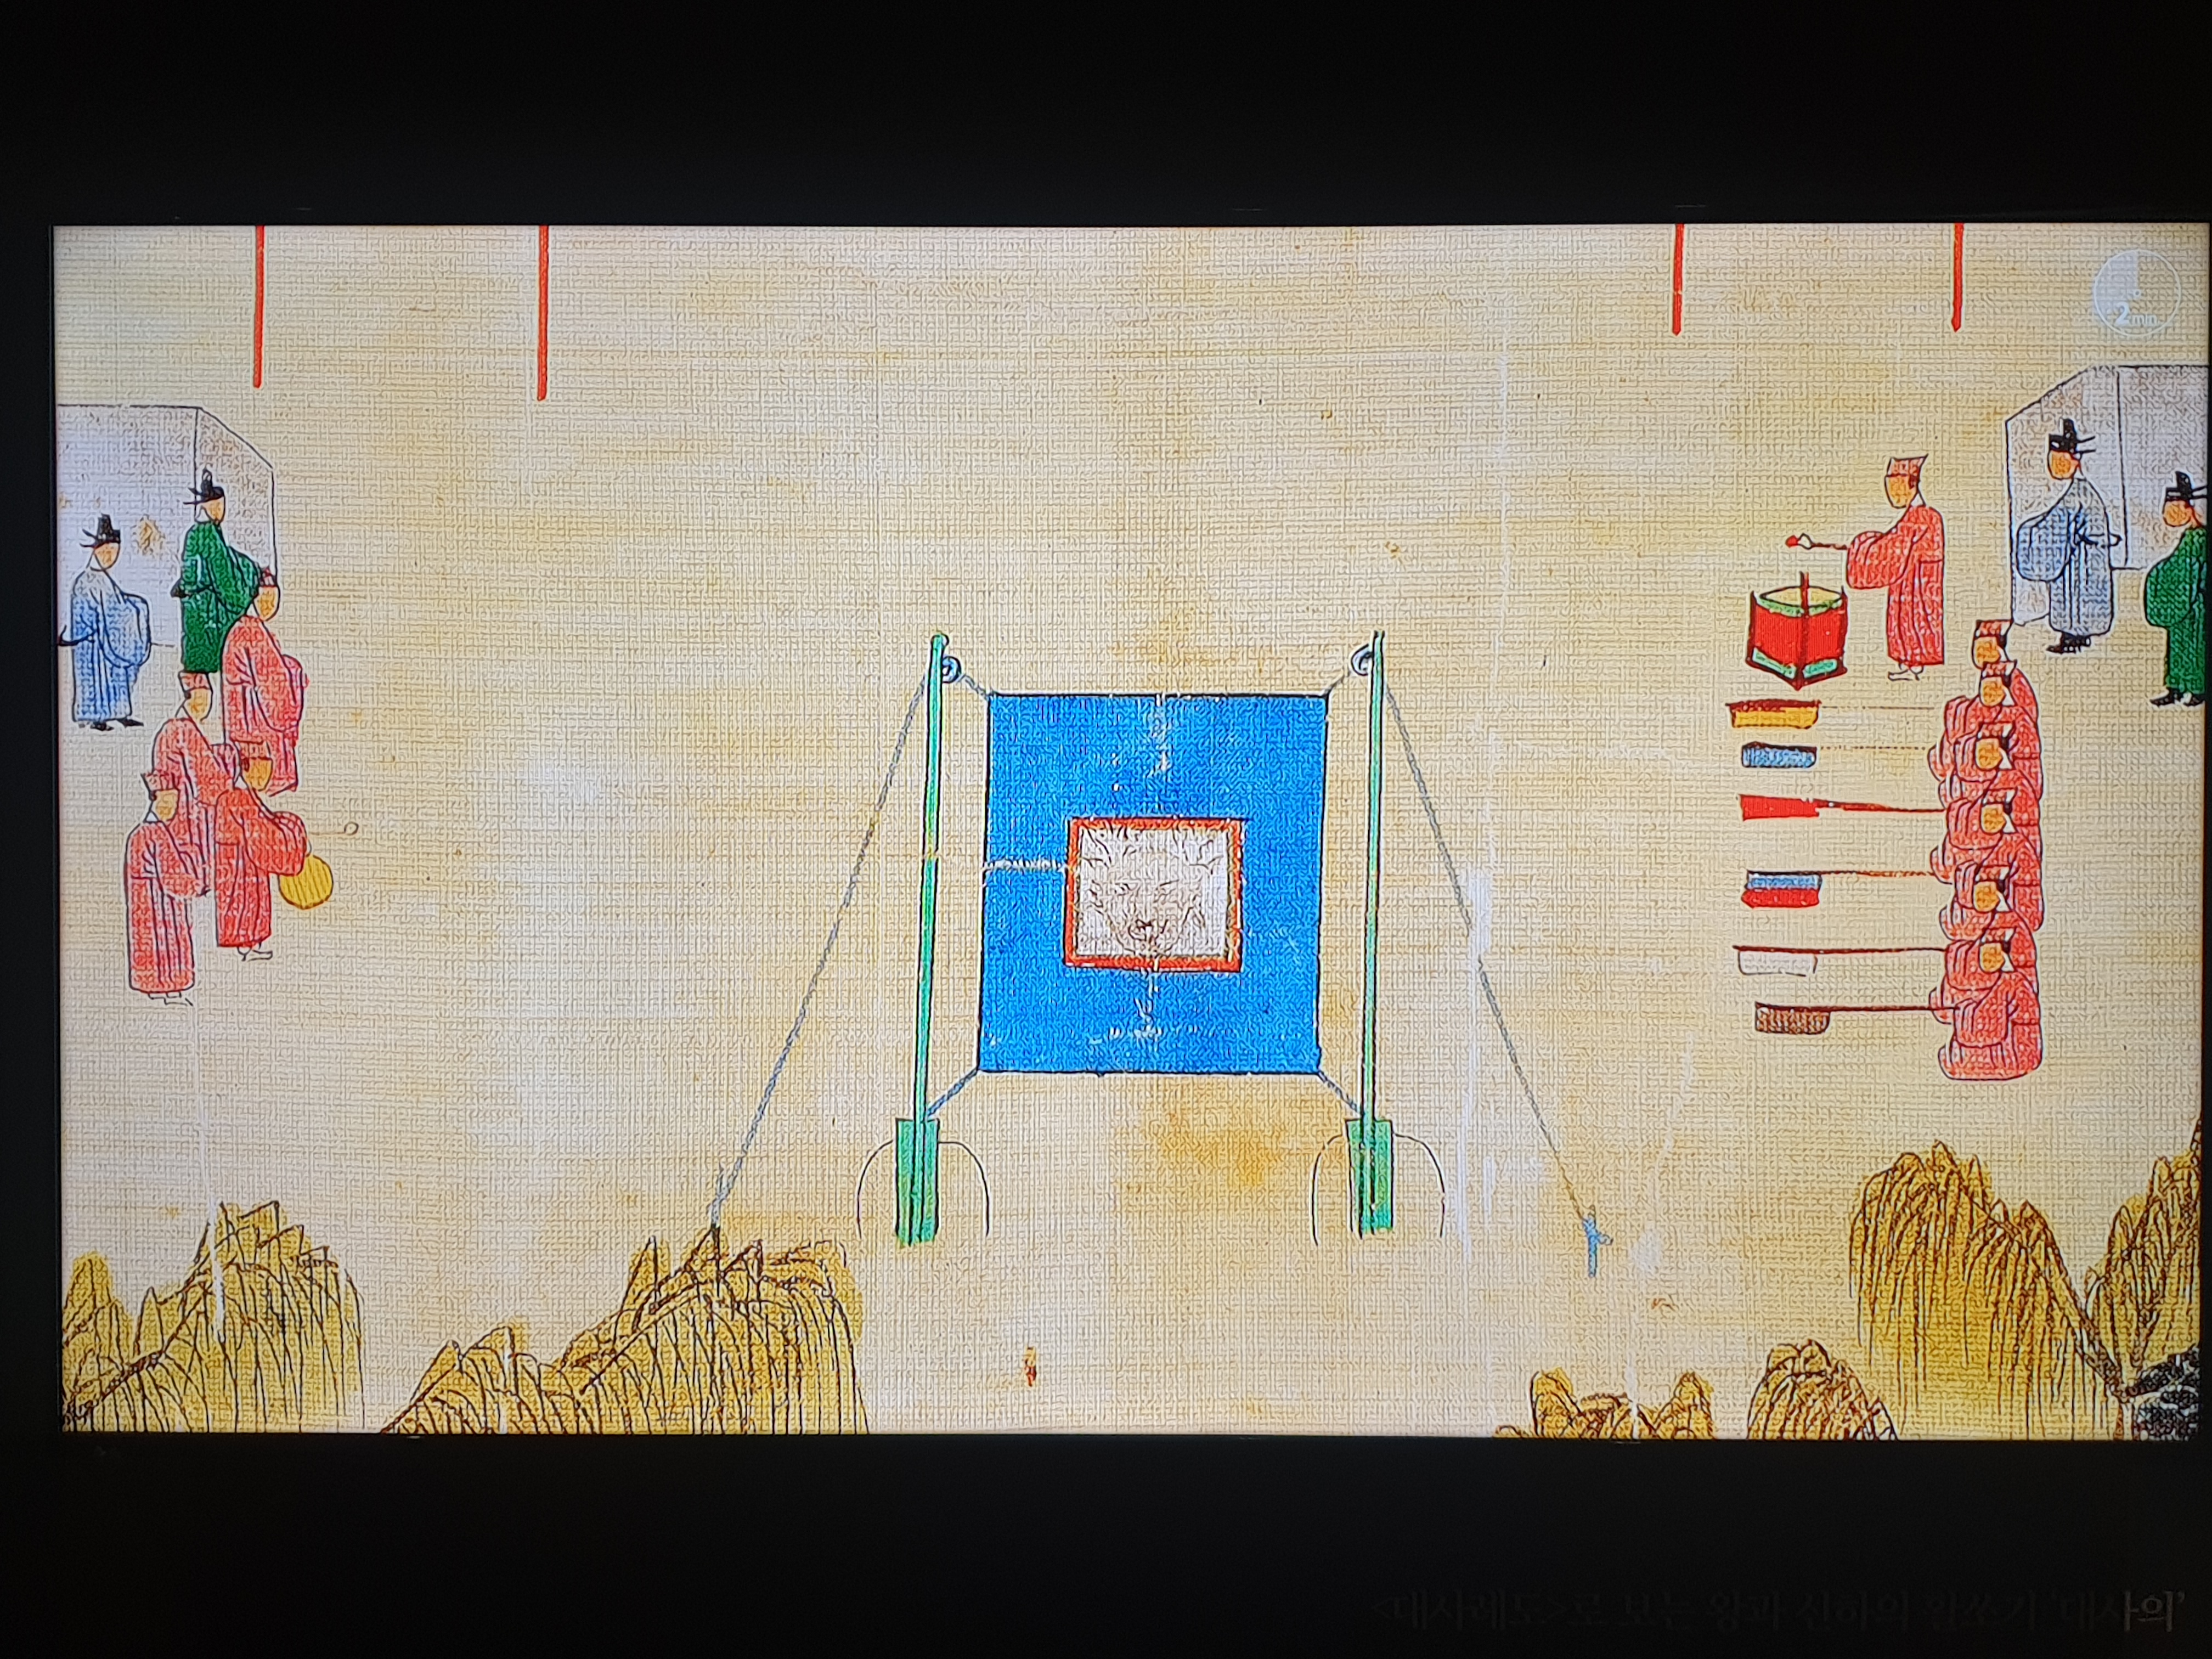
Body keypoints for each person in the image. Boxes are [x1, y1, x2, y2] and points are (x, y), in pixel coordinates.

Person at [2012, 419, 2120, 654]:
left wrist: (2029, 530)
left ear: (2074, 460)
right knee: (2075, 594)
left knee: (2078, 596)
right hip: (2081, 556)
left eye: (2059, 461)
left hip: (2083, 559)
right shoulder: (2077, 493)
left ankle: (2075, 638)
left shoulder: (2079, 495)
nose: (2054, 467)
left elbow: (2057, 523)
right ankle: (2075, 636)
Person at [1844, 456, 1945, 679]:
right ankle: (1909, 663)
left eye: (1897, 488)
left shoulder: (1923, 516)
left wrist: (1864, 547)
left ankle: (1915, 664)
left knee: (1915, 620)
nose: (1893, 495)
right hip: (1908, 577)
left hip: (1920, 583)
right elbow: (1893, 541)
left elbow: (1893, 545)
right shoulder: (1915, 516)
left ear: (1912, 484)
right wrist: (1869, 544)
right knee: (1904, 619)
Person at [212, 739, 308, 960]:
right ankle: (246, 946)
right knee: (244, 903)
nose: (267, 777)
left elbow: (266, 821)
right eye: (262, 770)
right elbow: (263, 832)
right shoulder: (238, 798)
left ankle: (251, 944)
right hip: (239, 865)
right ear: (247, 767)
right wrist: (292, 835)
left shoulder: (244, 796)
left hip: (245, 861)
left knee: (252, 901)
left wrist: (288, 825)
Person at [58, 515, 151, 730]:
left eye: (115, 553)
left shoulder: (105, 580)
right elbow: (110, 610)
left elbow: (117, 605)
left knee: (117, 675)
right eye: (108, 552)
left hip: (108, 638)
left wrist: (136, 606)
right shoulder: (86, 581)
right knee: (96, 679)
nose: (111, 557)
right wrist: (128, 611)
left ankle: (120, 712)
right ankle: (96, 717)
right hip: (93, 645)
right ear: (97, 551)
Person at [172, 470, 264, 676]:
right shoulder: (208, 536)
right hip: (209, 622)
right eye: (218, 506)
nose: (221, 511)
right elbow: (229, 586)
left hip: (196, 620)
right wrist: (248, 586)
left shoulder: (195, 534)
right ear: (209, 506)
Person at [221, 572, 306, 793]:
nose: (270, 606)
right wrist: (293, 675)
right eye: (265, 599)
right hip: (260, 736)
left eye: (273, 600)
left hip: (245, 731)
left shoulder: (246, 629)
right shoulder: (252, 632)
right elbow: (276, 693)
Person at [126, 768, 204, 1002]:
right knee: (164, 944)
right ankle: (167, 989)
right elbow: (173, 877)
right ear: (156, 800)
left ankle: (160, 989)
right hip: (157, 904)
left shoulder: (144, 833)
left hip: (151, 904)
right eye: (168, 802)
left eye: (175, 802)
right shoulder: (154, 834)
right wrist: (197, 887)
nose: (172, 808)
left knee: (156, 942)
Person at [151, 672, 232, 890]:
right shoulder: (182, 729)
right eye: (202, 698)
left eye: (207, 698)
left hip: (182, 804)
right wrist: (227, 766)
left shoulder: (176, 729)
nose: (205, 705)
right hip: (189, 806)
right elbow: (210, 778)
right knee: (192, 848)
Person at [1939, 931, 2043, 1082]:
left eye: (1996, 953)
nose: (1991, 959)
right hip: (1963, 1062)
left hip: (2008, 1060)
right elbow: (1943, 1011)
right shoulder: (1970, 980)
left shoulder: (2013, 984)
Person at [2144, 472, 2205, 708]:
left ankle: (2198, 689)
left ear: (2188, 508)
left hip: (2195, 608)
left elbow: (2186, 570)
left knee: (2195, 647)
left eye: (2174, 508)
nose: (2168, 515)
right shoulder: (2190, 537)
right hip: (2184, 607)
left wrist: (2163, 575)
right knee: (2178, 647)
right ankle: (2176, 688)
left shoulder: (2198, 539)